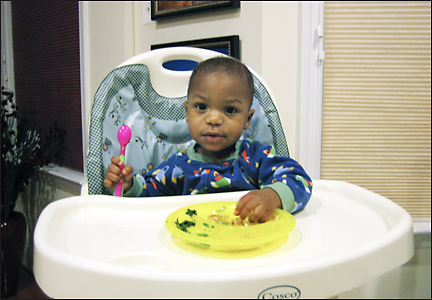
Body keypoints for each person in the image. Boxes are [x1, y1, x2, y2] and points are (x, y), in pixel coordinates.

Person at [104, 56, 312, 223]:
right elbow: (148, 196)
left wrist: (271, 196)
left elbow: (299, 180)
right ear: (187, 113)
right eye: (202, 107)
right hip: (194, 254)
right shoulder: (177, 168)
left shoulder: (256, 158)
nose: (213, 119)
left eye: (230, 110)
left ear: (247, 119)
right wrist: (129, 185)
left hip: (247, 248)